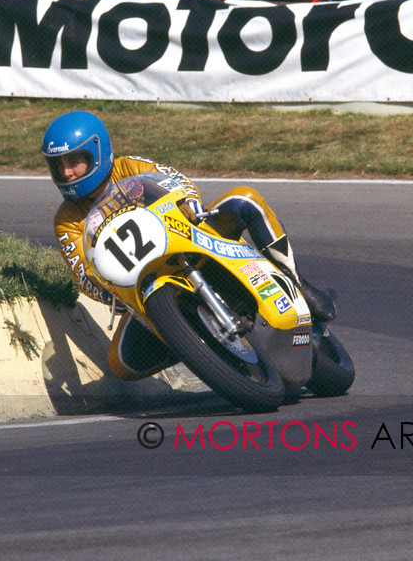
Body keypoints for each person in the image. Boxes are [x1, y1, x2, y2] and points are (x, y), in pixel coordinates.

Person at [42, 111, 336, 382]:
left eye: (74, 160)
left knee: (244, 198)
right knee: (121, 364)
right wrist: (108, 291)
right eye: (59, 165)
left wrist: (188, 203)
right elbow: (82, 273)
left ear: (98, 151)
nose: (67, 172)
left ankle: (296, 282)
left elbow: (174, 180)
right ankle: (194, 344)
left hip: (191, 242)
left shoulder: (128, 166)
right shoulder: (66, 219)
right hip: (142, 288)